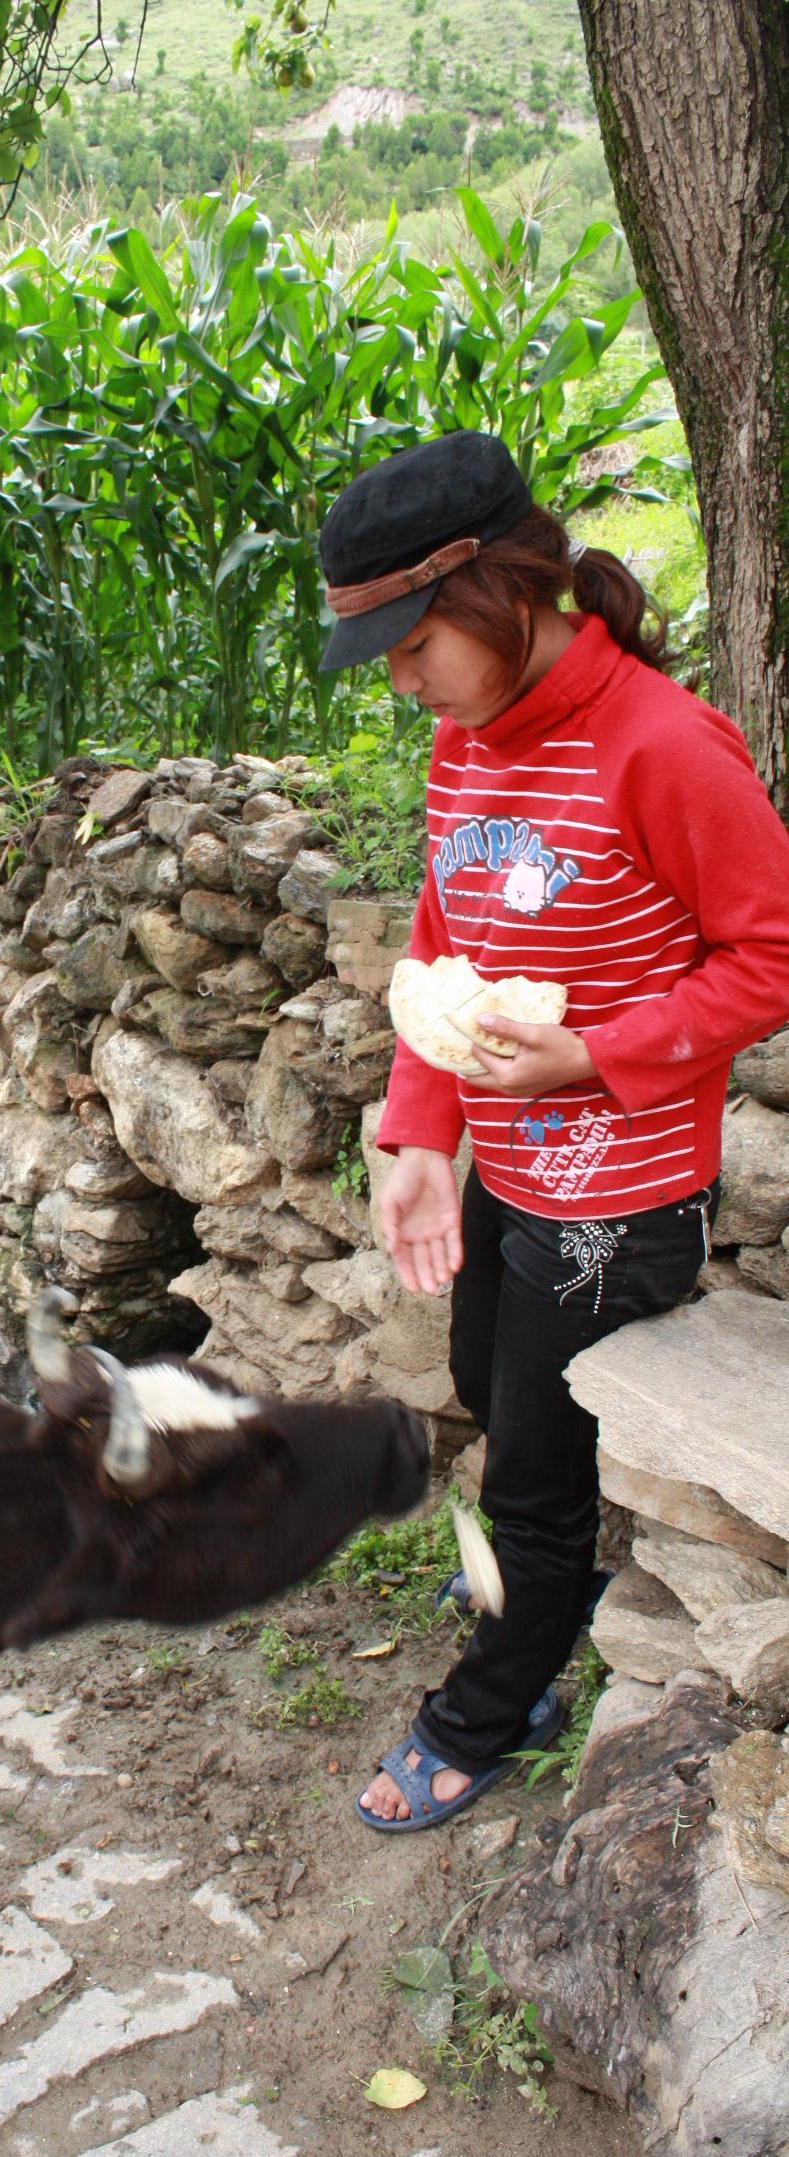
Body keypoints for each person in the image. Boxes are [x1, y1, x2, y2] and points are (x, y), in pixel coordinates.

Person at [314, 428, 789, 1832]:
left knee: (527, 1460)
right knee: (483, 1371)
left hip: (620, 1196)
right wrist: (420, 1136)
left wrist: (595, 1052)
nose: (404, 684)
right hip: (512, 1168)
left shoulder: (665, 745)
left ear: (501, 592)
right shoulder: (467, 741)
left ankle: (494, 1699)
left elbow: (770, 955)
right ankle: (551, 1574)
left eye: (414, 647)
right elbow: (442, 939)